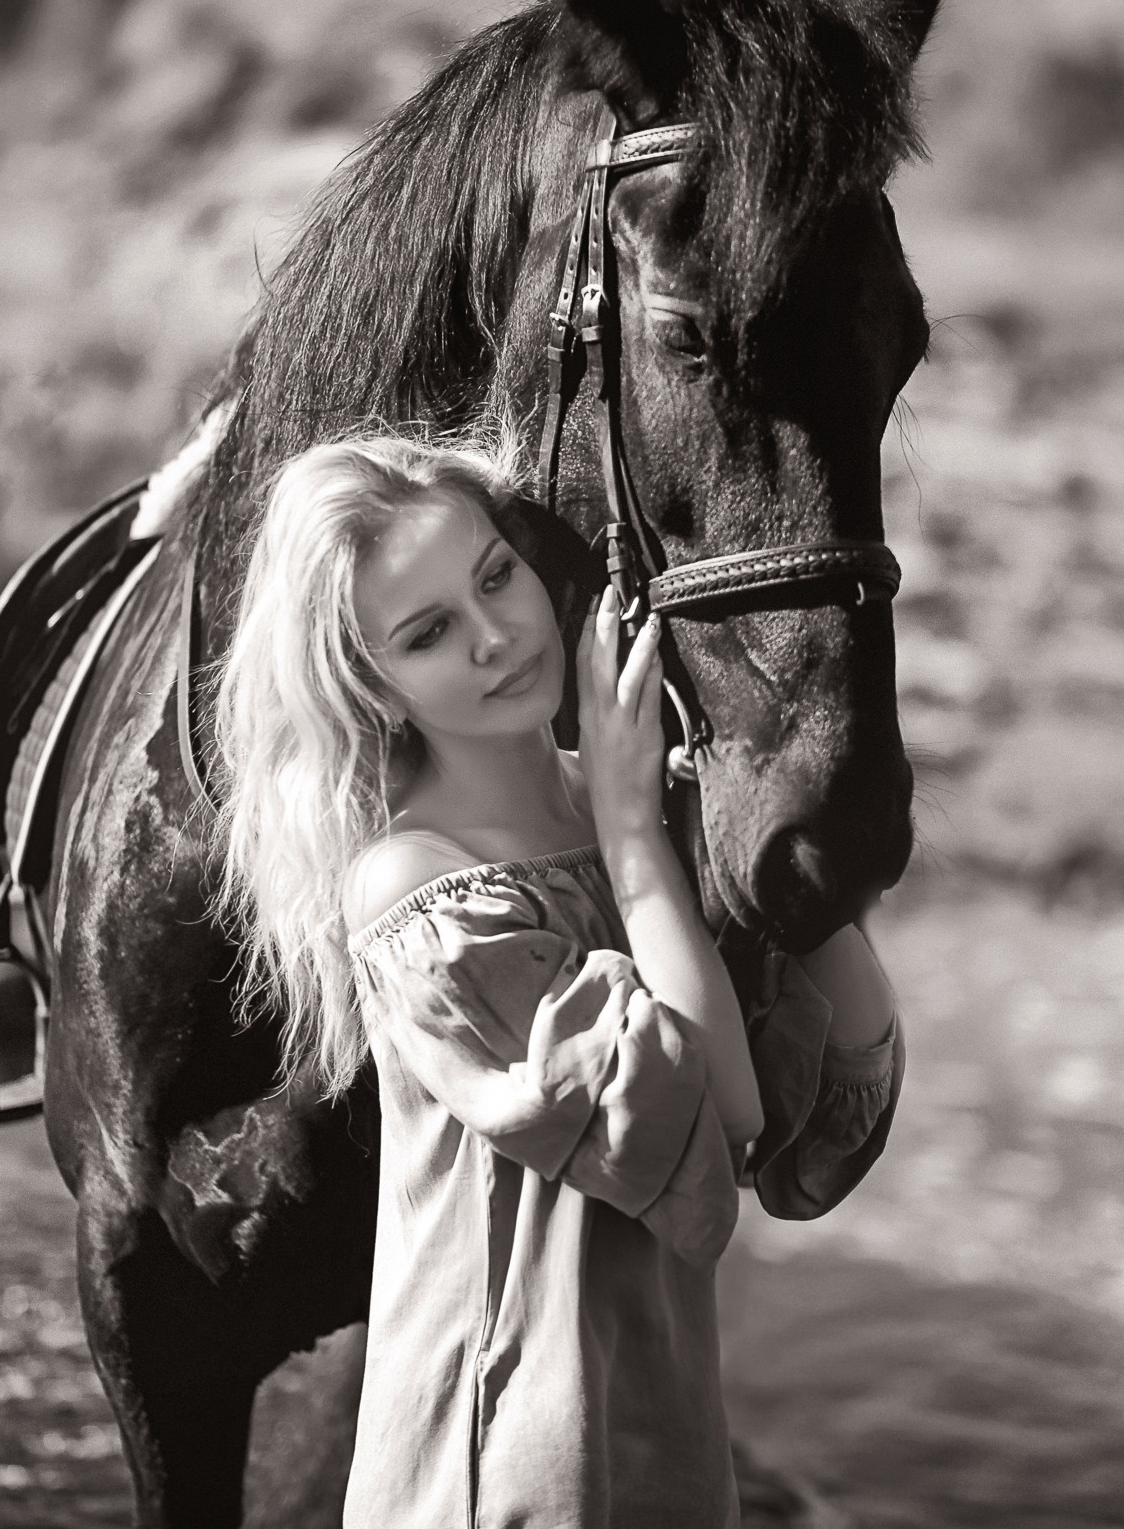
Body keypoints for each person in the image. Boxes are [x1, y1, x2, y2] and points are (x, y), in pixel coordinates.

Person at [212, 432, 904, 1528]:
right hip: (503, 1451)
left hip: (666, 1433)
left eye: (496, 577)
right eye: (429, 632)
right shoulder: (419, 889)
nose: (494, 637)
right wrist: (633, 840)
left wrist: (770, 839)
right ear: (373, 687)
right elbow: (708, 1121)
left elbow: (820, 1128)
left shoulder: (637, 810)